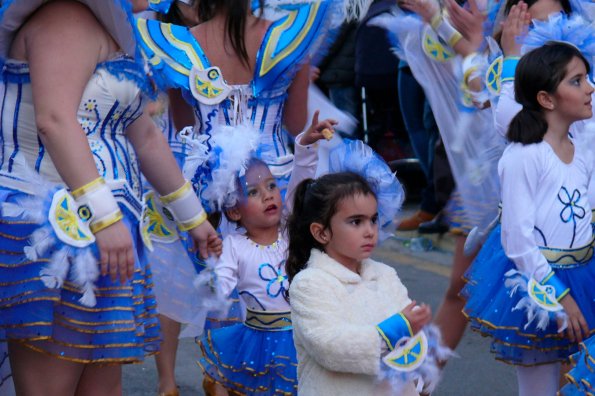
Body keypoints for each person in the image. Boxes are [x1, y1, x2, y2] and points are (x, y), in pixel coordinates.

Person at [0, 1, 219, 394]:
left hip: (106, 232)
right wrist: (105, 217)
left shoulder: (112, 29)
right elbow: (54, 120)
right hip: (51, 231)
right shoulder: (63, 15)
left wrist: (195, 220)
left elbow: (147, 137)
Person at [462, 43, 595, 396]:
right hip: (540, 285)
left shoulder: (579, 150)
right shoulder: (524, 157)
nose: (591, 88)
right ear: (547, 99)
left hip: (584, 273)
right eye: (578, 81)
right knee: (538, 386)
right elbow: (517, 240)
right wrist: (560, 296)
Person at [196, 113, 335, 396]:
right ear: (234, 210)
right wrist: (210, 262)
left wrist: (306, 145)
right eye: (254, 192)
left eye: (271, 186)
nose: (269, 195)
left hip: (302, 333)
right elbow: (218, 289)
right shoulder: (234, 246)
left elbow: (301, 181)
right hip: (258, 341)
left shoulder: (290, 229)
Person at [287, 172, 433, 396]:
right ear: (321, 232)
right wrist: (398, 328)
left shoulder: (386, 275)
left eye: (373, 219)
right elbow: (329, 347)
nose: (369, 231)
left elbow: (411, 341)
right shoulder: (309, 283)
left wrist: (418, 378)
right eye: (356, 221)